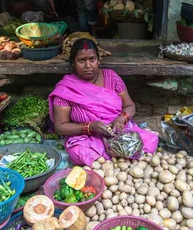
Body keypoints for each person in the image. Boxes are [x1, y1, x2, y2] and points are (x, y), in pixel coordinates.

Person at [49, 38, 158, 166]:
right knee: (79, 153)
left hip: (118, 131)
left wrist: (121, 119)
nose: (88, 65)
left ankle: (108, 160)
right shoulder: (66, 89)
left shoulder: (111, 77)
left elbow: (129, 106)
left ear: (99, 60)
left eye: (92, 59)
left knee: (151, 141)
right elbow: (60, 127)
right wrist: (89, 127)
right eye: (81, 61)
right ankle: (116, 159)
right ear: (73, 62)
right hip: (87, 137)